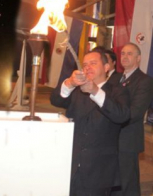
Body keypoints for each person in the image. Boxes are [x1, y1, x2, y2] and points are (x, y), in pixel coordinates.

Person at [50, 50, 130, 195]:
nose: (88, 67)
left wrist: (95, 91)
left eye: (93, 63)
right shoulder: (77, 90)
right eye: (85, 64)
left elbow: (122, 116)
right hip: (71, 164)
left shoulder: (117, 91)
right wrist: (69, 83)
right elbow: (56, 100)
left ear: (106, 67)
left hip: (98, 169)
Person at [112, 42, 153, 195]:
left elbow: (135, 112)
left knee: (128, 182)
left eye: (130, 54)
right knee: (112, 180)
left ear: (138, 58)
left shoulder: (144, 81)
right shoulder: (115, 78)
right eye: (122, 53)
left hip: (127, 140)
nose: (125, 57)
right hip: (109, 138)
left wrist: (111, 118)